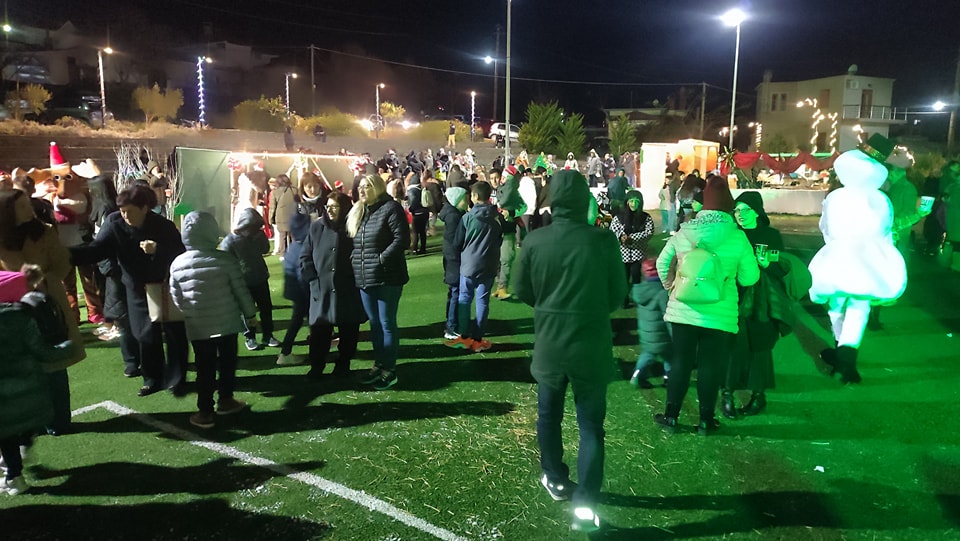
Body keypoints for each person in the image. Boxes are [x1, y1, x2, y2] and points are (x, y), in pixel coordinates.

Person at [514, 169, 625, 533]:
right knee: (590, 426)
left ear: (553, 200)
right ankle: (585, 502)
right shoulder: (603, 241)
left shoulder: (535, 241)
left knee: (549, 416)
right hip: (590, 346)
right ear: (583, 200)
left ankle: (555, 477)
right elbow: (617, 295)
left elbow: (522, 290)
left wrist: (550, 305)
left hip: (550, 344)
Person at [654, 175, 760, 435]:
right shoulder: (737, 237)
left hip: (684, 310)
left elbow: (662, 263)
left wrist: (672, 287)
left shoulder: (686, 231)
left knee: (681, 362)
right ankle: (705, 420)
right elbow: (750, 277)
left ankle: (671, 416)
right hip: (719, 313)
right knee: (711, 366)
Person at [70, 185, 189, 398]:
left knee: (175, 333)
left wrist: (158, 250)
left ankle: (177, 378)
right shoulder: (114, 223)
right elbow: (97, 250)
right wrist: (66, 255)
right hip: (136, 286)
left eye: (129, 211)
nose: (125, 216)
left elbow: (180, 254)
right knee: (144, 334)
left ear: (145, 208)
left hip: (165, 285)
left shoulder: (163, 225)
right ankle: (152, 379)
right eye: (122, 211)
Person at [809, 149, 907, 384]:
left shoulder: (837, 197)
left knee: (836, 303)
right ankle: (847, 359)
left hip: (840, 254)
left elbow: (826, 228)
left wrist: (835, 245)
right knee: (859, 307)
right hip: (872, 257)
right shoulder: (882, 198)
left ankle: (841, 354)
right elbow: (887, 229)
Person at [0, 190, 86, 432]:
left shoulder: (45, 231)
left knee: (55, 362)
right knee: (28, 366)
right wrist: (17, 283)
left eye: (28, 204)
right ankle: (35, 419)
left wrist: (44, 279)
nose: (29, 210)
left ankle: (60, 420)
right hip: (14, 310)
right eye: (22, 207)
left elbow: (62, 263)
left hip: (48, 304)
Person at [169, 212, 255, 428]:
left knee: (204, 368)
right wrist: (250, 315)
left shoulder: (177, 263)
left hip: (198, 328)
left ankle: (205, 411)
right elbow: (240, 290)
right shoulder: (225, 260)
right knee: (227, 363)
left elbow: (176, 297)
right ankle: (226, 399)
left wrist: (190, 313)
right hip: (227, 324)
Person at [0, 269, 76, 495]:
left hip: (3, 397)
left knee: (6, 435)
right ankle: (21, 450)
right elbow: (43, 352)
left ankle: (14, 477)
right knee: (24, 425)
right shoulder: (23, 319)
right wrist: (66, 348)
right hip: (30, 389)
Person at [721, 192, 790, 418]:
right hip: (735, 298)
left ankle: (759, 395)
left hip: (763, 302)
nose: (740, 214)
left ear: (757, 211)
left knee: (761, 348)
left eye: (745, 210)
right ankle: (727, 394)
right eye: (737, 210)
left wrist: (767, 264)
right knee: (732, 346)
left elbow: (782, 269)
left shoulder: (771, 236)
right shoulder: (731, 234)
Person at [347, 175, 409, 391]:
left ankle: (389, 370)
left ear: (378, 188)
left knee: (386, 323)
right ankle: (379, 364)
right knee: (374, 324)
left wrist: (381, 259)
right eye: (360, 187)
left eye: (367, 186)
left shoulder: (391, 208)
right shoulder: (359, 211)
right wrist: (356, 260)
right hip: (365, 277)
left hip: (388, 277)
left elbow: (402, 239)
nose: (362, 190)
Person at [301, 192, 366, 378]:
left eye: (334, 207)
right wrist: (312, 280)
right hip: (321, 290)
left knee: (348, 331)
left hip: (348, 288)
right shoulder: (316, 227)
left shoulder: (354, 227)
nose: (330, 210)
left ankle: (343, 364)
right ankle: (317, 366)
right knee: (319, 332)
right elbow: (305, 256)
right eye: (328, 206)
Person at [445, 181, 502, 352]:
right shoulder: (496, 218)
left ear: (475, 196)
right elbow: (499, 240)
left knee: (464, 298)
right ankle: (477, 339)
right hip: (489, 265)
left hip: (469, 265)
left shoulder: (467, 218)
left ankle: (464, 337)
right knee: (482, 301)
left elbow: (457, 242)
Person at [220, 208, 278, 351]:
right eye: (253, 227)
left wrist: (260, 237)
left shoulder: (258, 235)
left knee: (266, 309)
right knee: (247, 311)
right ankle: (250, 337)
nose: (255, 230)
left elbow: (265, 249)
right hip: (243, 282)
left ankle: (268, 335)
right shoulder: (230, 240)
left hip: (260, 277)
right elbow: (225, 260)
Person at [630, 259, 671, 389]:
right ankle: (667, 378)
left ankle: (637, 376)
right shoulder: (662, 292)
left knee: (649, 355)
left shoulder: (640, 290)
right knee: (669, 356)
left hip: (647, 332)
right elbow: (668, 315)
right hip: (661, 334)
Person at [276, 213, 312, 367]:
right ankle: (285, 353)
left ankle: (318, 341)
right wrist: (310, 294)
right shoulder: (303, 248)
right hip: (302, 293)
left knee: (306, 319)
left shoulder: (294, 246)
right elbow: (302, 276)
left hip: (296, 293)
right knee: (298, 321)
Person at [609, 190, 655, 307]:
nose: (633, 204)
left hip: (638, 254)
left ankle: (638, 298)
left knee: (636, 277)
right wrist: (621, 237)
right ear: (627, 202)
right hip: (622, 255)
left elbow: (649, 232)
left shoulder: (645, 217)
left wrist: (632, 238)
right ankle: (623, 301)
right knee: (623, 278)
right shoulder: (619, 217)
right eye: (631, 201)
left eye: (636, 201)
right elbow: (613, 230)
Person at [439, 187, 469, 339]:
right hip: (454, 258)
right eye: (465, 199)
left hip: (452, 257)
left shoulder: (455, 213)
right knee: (456, 292)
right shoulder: (453, 216)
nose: (468, 201)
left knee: (453, 292)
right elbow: (455, 239)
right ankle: (451, 327)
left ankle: (451, 324)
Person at [269, 174, 298, 258]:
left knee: (282, 236)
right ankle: (294, 253)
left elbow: (272, 207)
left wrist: (270, 219)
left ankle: (283, 254)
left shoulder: (275, 192)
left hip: (280, 216)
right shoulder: (294, 190)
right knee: (293, 236)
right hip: (293, 215)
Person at [406, 173, 429, 254]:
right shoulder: (422, 188)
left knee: (415, 232)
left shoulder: (411, 190)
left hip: (417, 213)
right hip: (424, 212)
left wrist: (410, 209)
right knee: (422, 232)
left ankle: (414, 248)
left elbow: (413, 201)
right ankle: (423, 248)